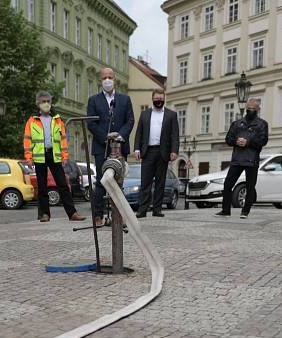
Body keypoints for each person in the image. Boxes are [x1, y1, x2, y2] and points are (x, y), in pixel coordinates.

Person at [23, 91, 85, 223]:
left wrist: (65, 156)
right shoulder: (32, 121)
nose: (46, 104)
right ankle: (44, 214)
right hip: (40, 156)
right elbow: (27, 140)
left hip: (55, 155)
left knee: (63, 185)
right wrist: (28, 158)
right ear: (38, 104)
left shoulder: (57, 120)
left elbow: (63, 140)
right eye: (43, 101)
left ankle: (72, 213)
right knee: (42, 186)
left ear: (51, 103)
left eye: (48, 101)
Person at [86, 67, 135, 226]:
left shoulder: (125, 99)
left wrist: (120, 135)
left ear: (114, 79)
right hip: (102, 147)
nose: (107, 80)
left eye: (110, 77)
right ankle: (98, 215)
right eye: (104, 77)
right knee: (102, 181)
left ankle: (119, 217)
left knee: (118, 182)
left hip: (120, 147)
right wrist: (105, 136)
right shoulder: (93, 100)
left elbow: (130, 120)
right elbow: (91, 123)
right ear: (100, 81)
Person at [215, 98, 269, 219]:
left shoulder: (262, 124)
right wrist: (236, 141)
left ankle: (245, 211)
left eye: (253, 109)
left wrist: (248, 142)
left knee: (250, 187)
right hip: (237, 159)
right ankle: (225, 210)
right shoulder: (237, 123)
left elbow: (263, 140)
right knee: (228, 184)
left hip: (252, 160)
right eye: (248, 108)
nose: (250, 110)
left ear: (258, 110)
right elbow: (228, 139)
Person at [133, 89, 179, 218]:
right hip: (147, 152)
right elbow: (139, 133)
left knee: (160, 183)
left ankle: (157, 210)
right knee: (145, 183)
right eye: (156, 98)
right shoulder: (145, 114)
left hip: (163, 152)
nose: (159, 101)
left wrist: (174, 151)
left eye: (161, 98)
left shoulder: (171, 115)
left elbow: (175, 135)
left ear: (164, 99)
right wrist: (137, 149)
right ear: (152, 99)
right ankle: (142, 210)